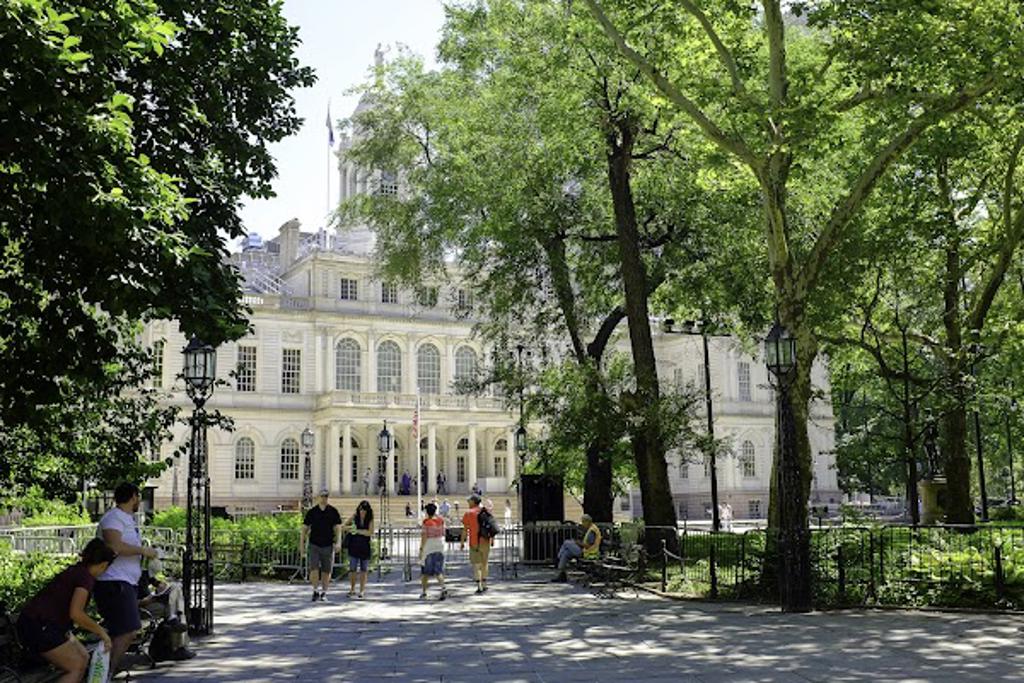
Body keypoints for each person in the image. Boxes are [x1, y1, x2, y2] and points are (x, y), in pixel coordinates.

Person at [16, 539, 115, 683]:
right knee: (76, 666)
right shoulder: (85, 578)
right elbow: (76, 614)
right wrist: (102, 632)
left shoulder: (78, 571)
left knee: (84, 657)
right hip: (39, 627)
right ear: (104, 565)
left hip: (43, 624)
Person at [94, 482, 159, 675]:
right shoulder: (113, 518)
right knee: (128, 630)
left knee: (123, 631)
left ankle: (104, 671)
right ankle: (106, 672)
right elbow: (114, 546)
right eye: (138, 496)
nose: (139, 500)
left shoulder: (126, 519)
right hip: (113, 582)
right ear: (133, 496)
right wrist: (143, 550)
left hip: (125, 582)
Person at [301, 488, 342, 601]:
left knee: (326, 570)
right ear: (318, 497)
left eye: (326, 496)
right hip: (315, 544)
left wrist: (339, 542)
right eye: (322, 496)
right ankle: (315, 591)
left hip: (328, 544)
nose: (324, 498)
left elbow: (338, 528)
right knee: (314, 568)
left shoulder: (333, 511)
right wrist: (302, 546)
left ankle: (324, 592)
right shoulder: (312, 512)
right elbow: (304, 529)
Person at [552, 514, 602, 583]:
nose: (582, 524)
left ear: (588, 522)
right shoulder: (589, 529)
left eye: (583, 522)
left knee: (566, 542)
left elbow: (588, 546)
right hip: (585, 551)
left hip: (588, 553)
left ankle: (557, 558)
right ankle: (561, 574)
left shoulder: (592, 531)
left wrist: (578, 543)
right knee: (566, 553)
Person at [459, 494, 490, 594]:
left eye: (469, 501)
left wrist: (462, 542)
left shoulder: (468, 513)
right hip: (485, 540)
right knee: (485, 563)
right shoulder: (485, 512)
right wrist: (492, 539)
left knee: (476, 565)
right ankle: (485, 584)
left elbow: (465, 530)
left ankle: (479, 586)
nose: (468, 502)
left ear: (473, 502)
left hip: (474, 542)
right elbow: (491, 526)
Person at [343, 500, 374, 598]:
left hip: (364, 546)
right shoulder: (354, 516)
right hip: (353, 545)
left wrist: (358, 531)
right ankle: (352, 589)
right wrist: (350, 528)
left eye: (364, 511)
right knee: (352, 569)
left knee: (363, 569)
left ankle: (362, 590)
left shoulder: (370, 519)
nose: (362, 512)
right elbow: (343, 526)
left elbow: (370, 532)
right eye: (361, 510)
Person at [418, 502, 448, 600]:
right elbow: (444, 532)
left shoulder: (426, 522)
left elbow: (424, 536)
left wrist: (421, 549)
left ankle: (424, 591)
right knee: (438, 570)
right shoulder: (441, 521)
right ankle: (443, 587)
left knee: (425, 571)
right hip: (440, 545)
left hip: (429, 546)